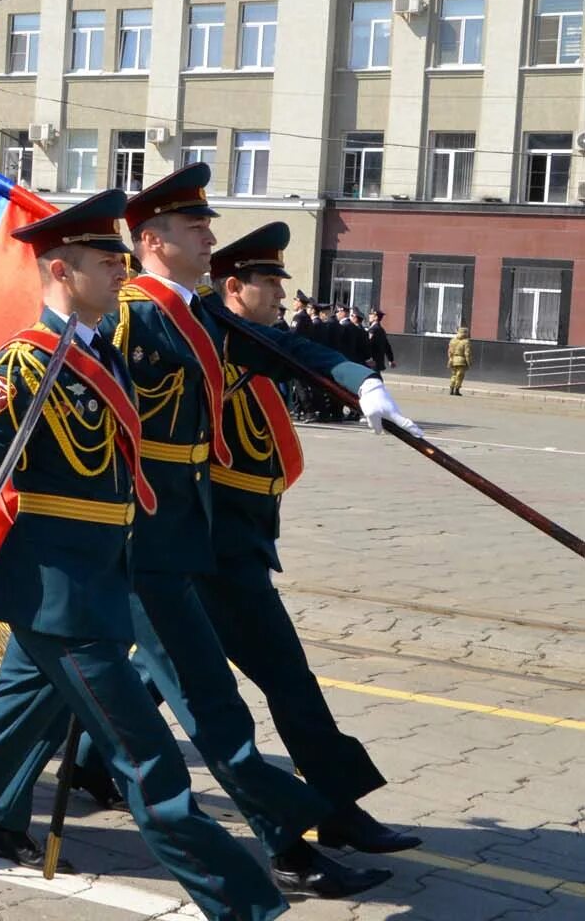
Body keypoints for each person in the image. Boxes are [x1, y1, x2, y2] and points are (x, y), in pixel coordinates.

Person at [0, 190, 290, 921]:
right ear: (61, 271)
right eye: (106, 261)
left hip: (95, 581)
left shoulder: (98, 353)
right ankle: (245, 906)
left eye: (123, 259)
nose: (121, 271)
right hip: (60, 598)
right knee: (147, 762)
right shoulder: (26, 367)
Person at [96, 163, 409, 897]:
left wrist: (357, 378)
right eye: (195, 227)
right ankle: (284, 846)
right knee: (201, 703)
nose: (210, 236)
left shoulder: (196, 316)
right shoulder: (127, 316)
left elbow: (282, 351)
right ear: (151, 241)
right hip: (147, 538)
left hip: (203, 536)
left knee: (201, 686)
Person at [204, 223, 420, 852]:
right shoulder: (203, 333)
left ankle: (38, 781)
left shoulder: (244, 339)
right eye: (269, 283)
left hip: (234, 540)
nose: (279, 296)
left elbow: (303, 356)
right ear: (233, 286)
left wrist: (364, 383)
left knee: (156, 680)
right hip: (200, 545)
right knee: (277, 679)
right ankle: (330, 811)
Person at [447, 326, 471, 395]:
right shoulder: (466, 341)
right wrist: (469, 363)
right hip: (461, 361)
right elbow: (467, 353)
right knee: (460, 376)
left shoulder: (452, 340)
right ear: (465, 333)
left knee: (453, 375)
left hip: (453, 360)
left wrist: (450, 359)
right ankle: (456, 390)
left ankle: (451, 389)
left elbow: (449, 352)